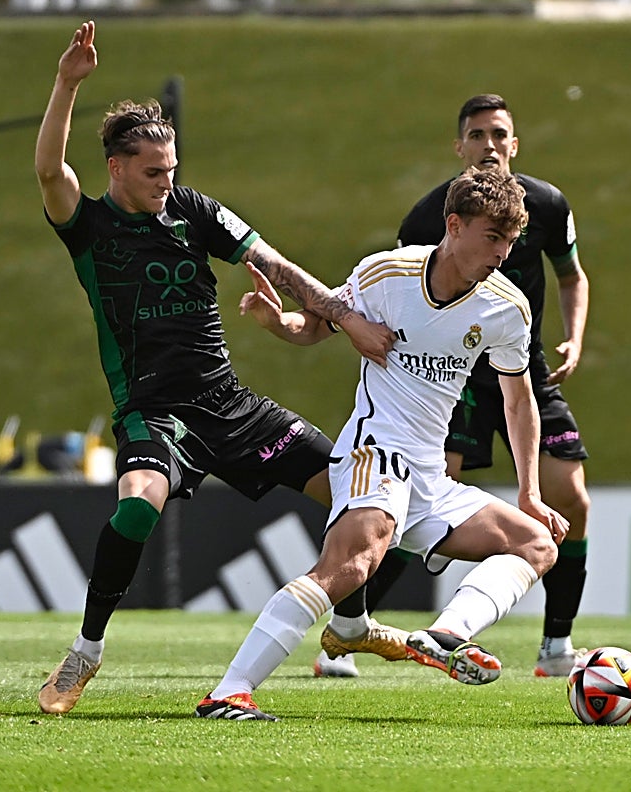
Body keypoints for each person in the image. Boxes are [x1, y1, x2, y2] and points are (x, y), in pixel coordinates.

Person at [34, 20, 395, 716]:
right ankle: (86, 651)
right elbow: (51, 171)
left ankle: (349, 626)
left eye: (171, 170)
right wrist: (67, 83)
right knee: (137, 501)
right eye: (152, 172)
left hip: (228, 403)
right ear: (116, 168)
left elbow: (273, 263)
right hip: (154, 411)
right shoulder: (90, 228)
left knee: (354, 493)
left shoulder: (192, 211)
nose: (166, 183)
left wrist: (340, 314)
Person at [195, 167, 570, 721]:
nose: (502, 253)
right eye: (493, 237)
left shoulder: (506, 307)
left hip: (431, 477)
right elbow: (316, 327)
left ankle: (444, 635)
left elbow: (519, 402)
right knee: (353, 563)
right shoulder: (386, 274)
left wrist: (530, 493)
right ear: (454, 226)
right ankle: (229, 692)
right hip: (376, 451)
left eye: (511, 241)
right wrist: (279, 324)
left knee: (537, 544)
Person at [314, 93, 592, 680]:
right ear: (460, 146)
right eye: (478, 135)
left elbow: (572, 276)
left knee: (570, 497)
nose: (490, 145)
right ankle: (350, 626)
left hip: (524, 370)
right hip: (451, 378)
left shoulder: (547, 203)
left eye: (500, 134)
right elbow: (396, 300)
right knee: (415, 498)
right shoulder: (427, 216)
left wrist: (575, 336)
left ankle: (556, 645)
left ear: (515, 144)